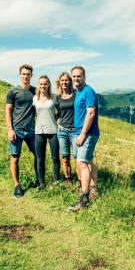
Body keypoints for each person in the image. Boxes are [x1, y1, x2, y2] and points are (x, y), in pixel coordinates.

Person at [67, 65, 100, 212]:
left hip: (87, 133)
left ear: (84, 77)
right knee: (89, 161)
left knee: (81, 163)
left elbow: (91, 113)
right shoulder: (78, 92)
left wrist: (82, 134)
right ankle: (94, 190)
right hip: (81, 131)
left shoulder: (88, 92)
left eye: (78, 76)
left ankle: (84, 198)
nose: (76, 78)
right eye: (73, 76)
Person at [5, 64, 37, 198]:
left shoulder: (36, 91)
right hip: (17, 130)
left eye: (28, 74)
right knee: (15, 157)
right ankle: (17, 185)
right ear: (20, 75)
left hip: (32, 130)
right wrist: (10, 129)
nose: (26, 76)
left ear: (31, 75)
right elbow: (8, 110)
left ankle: (39, 181)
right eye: (23, 74)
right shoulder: (13, 92)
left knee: (38, 155)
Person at [33, 74, 61, 188]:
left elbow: (60, 112)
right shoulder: (34, 98)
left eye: (45, 83)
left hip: (53, 130)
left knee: (55, 157)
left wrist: (54, 118)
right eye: (41, 84)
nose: (43, 86)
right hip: (39, 131)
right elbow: (34, 113)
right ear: (38, 85)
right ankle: (41, 183)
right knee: (40, 159)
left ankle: (56, 181)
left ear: (48, 84)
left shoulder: (54, 97)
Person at [55, 71, 75, 183]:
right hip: (62, 131)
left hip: (74, 131)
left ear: (70, 81)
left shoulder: (75, 95)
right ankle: (68, 179)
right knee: (65, 157)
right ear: (59, 82)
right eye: (62, 80)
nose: (64, 82)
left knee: (77, 158)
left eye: (66, 80)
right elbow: (59, 113)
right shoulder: (58, 98)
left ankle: (81, 181)